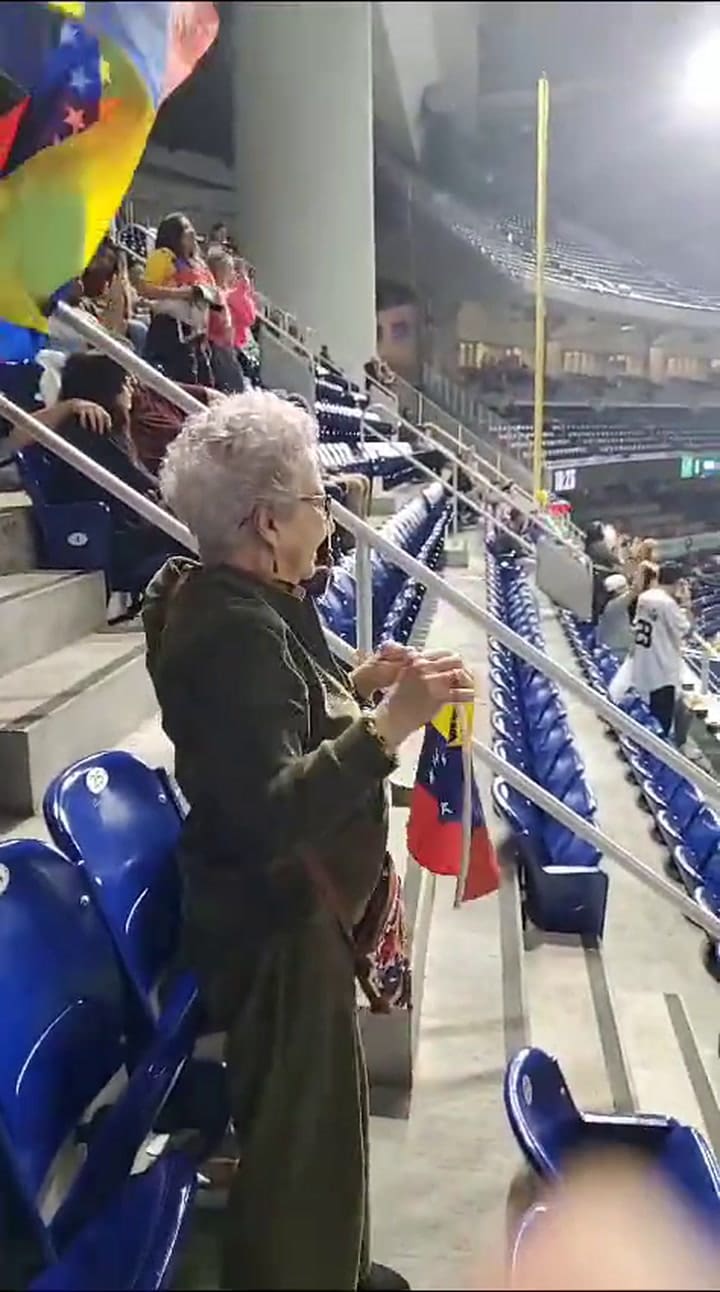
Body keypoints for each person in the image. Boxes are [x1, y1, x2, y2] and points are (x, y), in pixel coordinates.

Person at [143, 389, 473, 1290]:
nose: (327, 516)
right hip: (276, 926)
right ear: (267, 522)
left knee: (321, 1125)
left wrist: (359, 685)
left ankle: (336, 1266)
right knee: (301, 1143)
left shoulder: (245, 604)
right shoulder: (232, 631)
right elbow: (270, 808)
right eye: (315, 500)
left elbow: (278, 717)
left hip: (293, 914)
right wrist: (389, 725)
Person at [17, 354, 188, 607]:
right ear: (107, 386)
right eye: (125, 383)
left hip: (127, 530)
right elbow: (140, 482)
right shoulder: (90, 428)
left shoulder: (96, 427)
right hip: (118, 540)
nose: (131, 391)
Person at [141, 212, 217, 386]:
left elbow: (214, 292)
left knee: (205, 381)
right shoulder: (163, 256)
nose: (192, 234)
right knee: (183, 380)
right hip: (170, 328)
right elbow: (146, 289)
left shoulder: (198, 263)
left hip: (196, 331)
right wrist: (183, 293)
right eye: (186, 230)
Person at [631, 561, 692, 736]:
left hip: (644, 665)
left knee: (646, 718)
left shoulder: (645, 597)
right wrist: (686, 603)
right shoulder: (667, 604)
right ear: (678, 582)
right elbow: (687, 630)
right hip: (662, 673)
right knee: (660, 727)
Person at [207, 250, 246, 392]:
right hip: (217, 346)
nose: (232, 273)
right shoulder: (214, 294)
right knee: (233, 386)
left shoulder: (221, 293)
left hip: (225, 346)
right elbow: (216, 319)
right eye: (230, 269)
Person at [597, 573, 633, 659]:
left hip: (611, 651)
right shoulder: (616, 605)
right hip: (617, 654)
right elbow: (634, 592)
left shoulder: (609, 605)